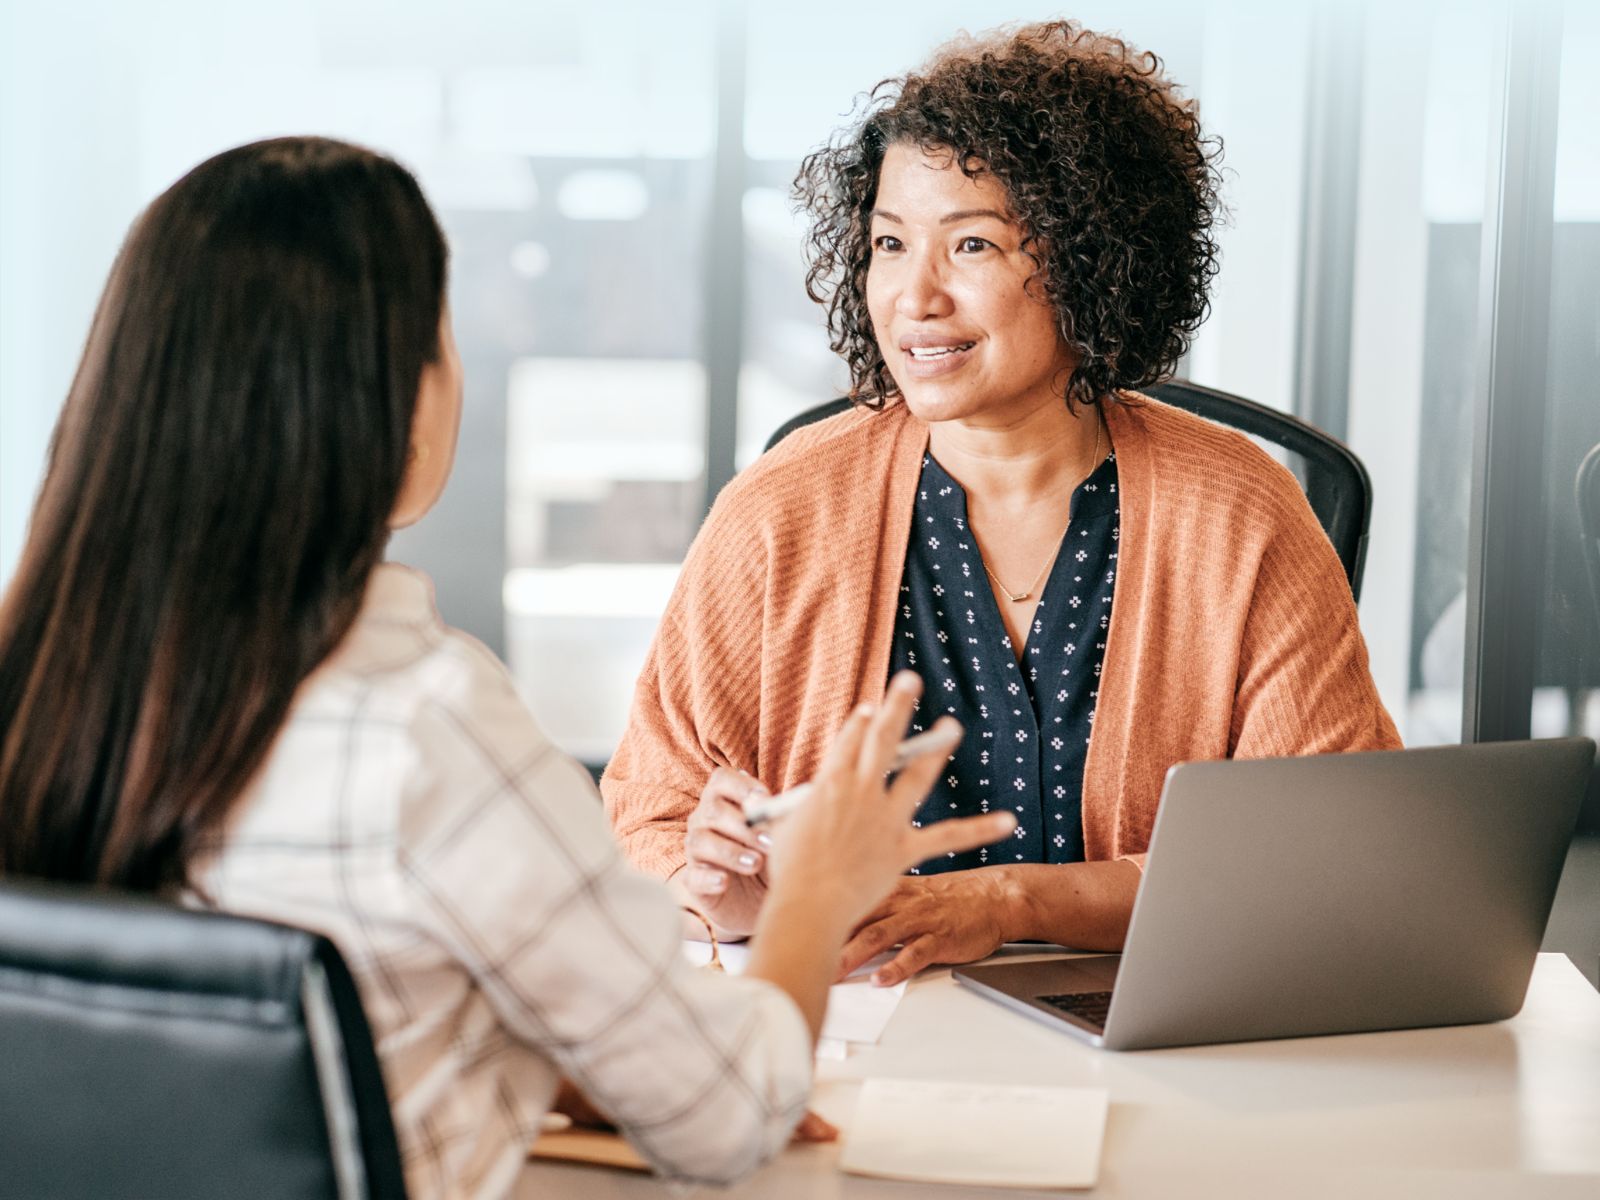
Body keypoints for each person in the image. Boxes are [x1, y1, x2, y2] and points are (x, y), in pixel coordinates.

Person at [0, 136, 1012, 1199]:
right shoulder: (424, 722)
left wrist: (551, 1058)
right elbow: (726, 1120)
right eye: (443, 335)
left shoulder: (43, 684)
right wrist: (815, 892)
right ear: (391, 402)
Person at [602, 21, 1400, 988]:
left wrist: (1011, 902)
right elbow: (651, 811)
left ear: (1088, 258)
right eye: (890, 243)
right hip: (845, 1018)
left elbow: (1317, 854)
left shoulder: (1240, 510)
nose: (914, 296)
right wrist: (716, 887)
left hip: (1145, 1025)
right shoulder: (781, 507)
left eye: (970, 243)